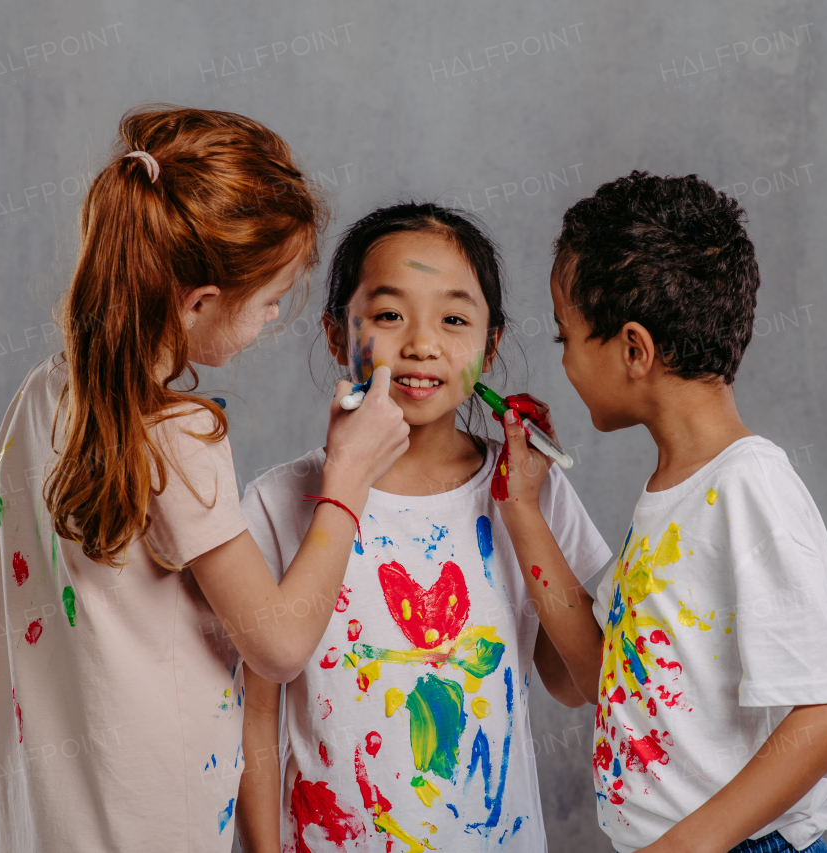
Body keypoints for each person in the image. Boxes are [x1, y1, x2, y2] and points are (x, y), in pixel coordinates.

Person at [0, 105, 408, 853]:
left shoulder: (40, 393)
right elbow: (281, 644)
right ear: (199, 304)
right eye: (266, 302)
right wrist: (348, 477)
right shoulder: (179, 435)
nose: (275, 315)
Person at [236, 202, 612, 852]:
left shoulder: (529, 491)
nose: (422, 342)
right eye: (388, 315)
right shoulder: (277, 503)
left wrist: (523, 510)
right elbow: (254, 719)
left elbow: (576, 683)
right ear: (335, 334)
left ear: (491, 344)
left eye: (455, 318)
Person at [528, 171, 827, 853]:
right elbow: (586, 679)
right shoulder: (671, 495)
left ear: (633, 350)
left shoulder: (747, 485)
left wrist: (684, 846)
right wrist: (520, 509)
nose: (560, 358)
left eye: (564, 335)